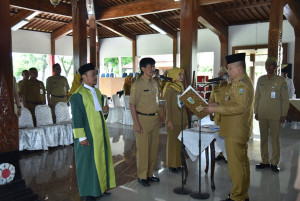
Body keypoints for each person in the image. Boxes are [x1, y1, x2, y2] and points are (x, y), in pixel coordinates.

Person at [204, 53, 253, 201]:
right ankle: (242, 194)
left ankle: (237, 196)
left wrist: (216, 109)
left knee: (236, 165)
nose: (228, 72)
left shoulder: (242, 85)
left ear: (238, 68)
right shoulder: (238, 82)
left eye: (230, 68)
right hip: (237, 129)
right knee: (242, 163)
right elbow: (232, 103)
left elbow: (238, 107)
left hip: (236, 130)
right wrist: (217, 104)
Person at [70, 63, 116, 201]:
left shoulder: (97, 93)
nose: (95, 77)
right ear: (84, 77)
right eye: (92, 75)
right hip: (87, 134)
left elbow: (100, 113)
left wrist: (106, 112)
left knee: (101, 161)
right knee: (87, 164)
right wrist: (82, 137)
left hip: (100, 133)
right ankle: (87, 193)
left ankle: (100, 188)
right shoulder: (77, 95)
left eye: (96, 74)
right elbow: (77, 118)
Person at [254, 56, 289, 172]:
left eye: (270, 65)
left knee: (275, 139)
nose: (268, 68)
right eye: (266, 65)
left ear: (275, 67)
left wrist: (283, 114)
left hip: (276, 115)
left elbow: (285, 99)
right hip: (262, 114)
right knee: (263, 139)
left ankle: (274, 163)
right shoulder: (261, 79)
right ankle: (265, 161)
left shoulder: (281, 81)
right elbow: (257, 97)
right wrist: (256, 111)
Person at [129, 57, 160, 187]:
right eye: (150, 67)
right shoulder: (138, 84)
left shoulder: (154, 83)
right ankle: (142, 176)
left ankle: (149, 173)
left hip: (154, 119)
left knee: (153, 149)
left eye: (153, 66)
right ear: (143, 69)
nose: (153, 69)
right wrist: (136, 124)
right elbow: (132, 105)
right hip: (142, 120)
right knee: (143, 151)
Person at [163, 67, 187, 173]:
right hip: (173, 120)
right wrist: (169, 121)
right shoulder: (169, 89)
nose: (182, 76)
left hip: (181, 119)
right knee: (172, 143)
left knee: (179, 143)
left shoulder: (181, 87)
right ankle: (172, 164)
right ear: (173, 75)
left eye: (182, 74)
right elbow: (167, 106)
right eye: (179, 74)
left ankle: (178, 163)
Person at [209, 67, 230, 162]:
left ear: (227, 76)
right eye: (220, 76)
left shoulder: (231, 87)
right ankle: (221, 154)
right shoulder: (215, 88)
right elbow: (211, 101)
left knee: (227, 136)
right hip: (217, 116)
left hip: (228, 116)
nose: (221, 78)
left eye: (223, 76)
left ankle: (228, 155)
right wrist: (210, 114)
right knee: (219, 136)